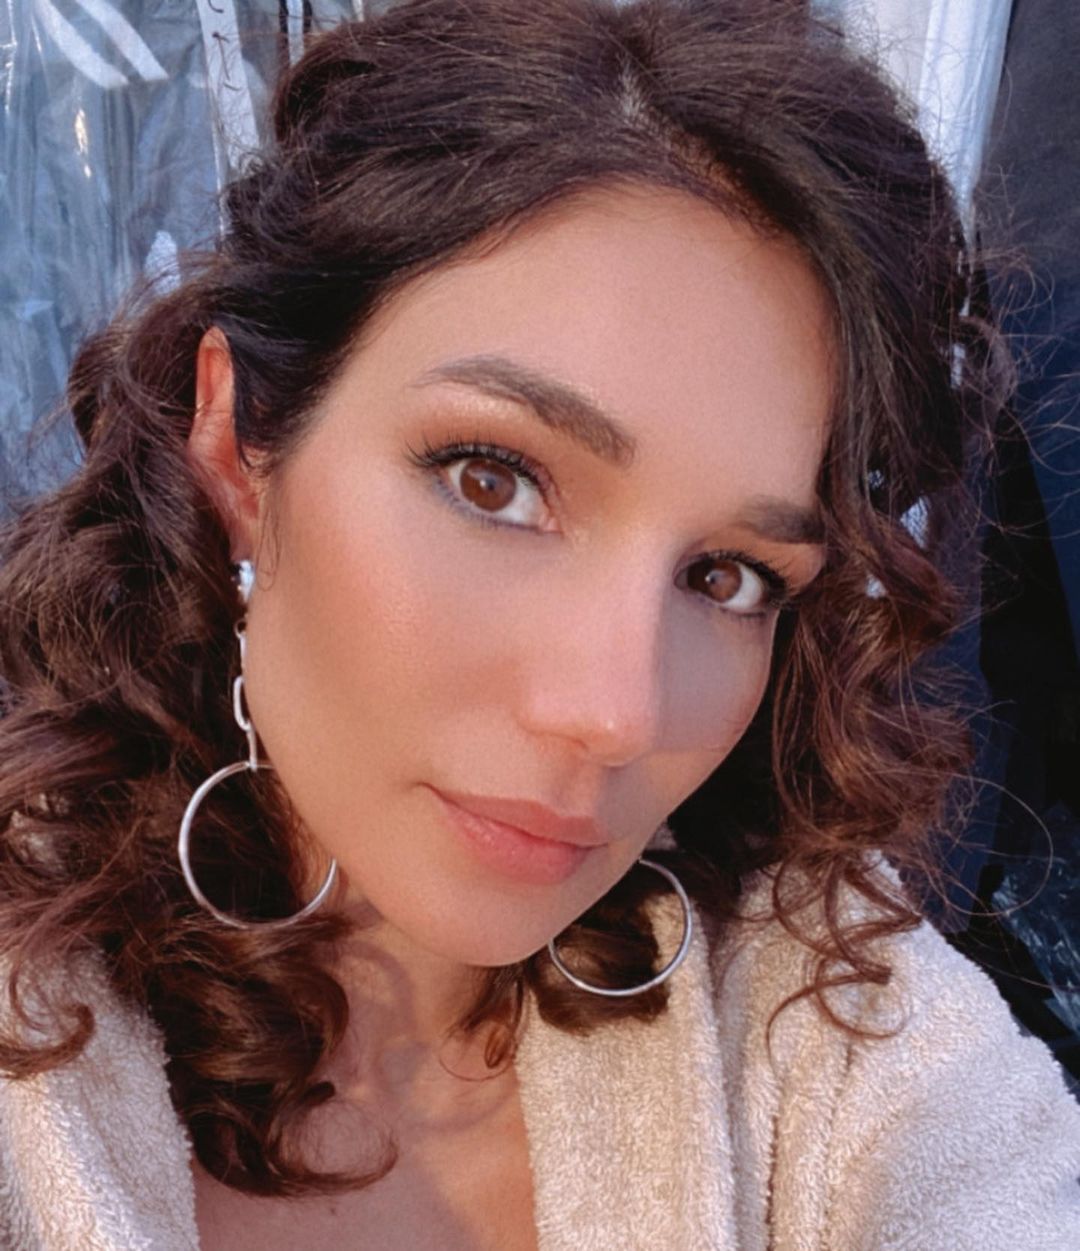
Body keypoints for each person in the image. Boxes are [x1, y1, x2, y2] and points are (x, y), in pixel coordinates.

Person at [0, 0, 1077, 1247]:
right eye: (492, 482)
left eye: (729, 576)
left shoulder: (835, 1026)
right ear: (238, 447)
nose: (617, 714)